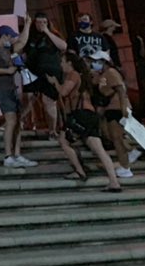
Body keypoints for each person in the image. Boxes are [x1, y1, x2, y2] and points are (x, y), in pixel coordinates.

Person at [47, 52, 122, 192]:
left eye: (62, 62)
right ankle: (114, 181)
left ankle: (80, 171)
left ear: (70, 63)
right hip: (89, 114)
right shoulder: (81, 75)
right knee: (99, 150)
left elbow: (63, 92)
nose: (61, 65)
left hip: (81, 114)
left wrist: (55, 82)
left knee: (63, 140)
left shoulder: (73, 75)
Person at [0, 19, 37, 168]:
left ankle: (17, 154)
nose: (13, 39)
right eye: (11, 36)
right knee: (11, 120)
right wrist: (6, 71)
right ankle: (8, 156)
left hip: (11, 87)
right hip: (1, 87)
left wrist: (27, 24)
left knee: (18, 120)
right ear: (4, 36)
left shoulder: (9, 49)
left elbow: (22, 41)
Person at [87, 50, 134, 178]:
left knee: (117, 139)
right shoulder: (103, 75)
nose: (94, 63)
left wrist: (124, 107)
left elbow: (121, 89)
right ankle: (125, 162)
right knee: (113, 137)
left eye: (97, 61)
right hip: (110, 108)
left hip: (117, 108)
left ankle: (125, 167)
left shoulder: (111, 72)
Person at [21, 12, 66, 136]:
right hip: (32, 71)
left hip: (50, 71)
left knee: (49, 101)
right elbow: (21, 47)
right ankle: (26, 123)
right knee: (28, 98)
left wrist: (47, 31)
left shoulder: (53, 35)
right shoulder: (30, 36)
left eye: (44, 22)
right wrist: (26, 26)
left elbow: (63, 46)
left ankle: (52, 130)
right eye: (39, 22)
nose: (41, 24)